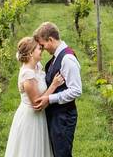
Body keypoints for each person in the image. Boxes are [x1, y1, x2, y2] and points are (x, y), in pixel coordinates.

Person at [4, 36, 66, 157]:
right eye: (39, 49)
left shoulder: (37, 67)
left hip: (39, 117)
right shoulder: (27, 74)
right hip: (30, 118)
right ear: (31, 53)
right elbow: (37, 104)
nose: (42, 51)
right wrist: (53, 85)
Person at [32, 22, 82, 157]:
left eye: (43, 45)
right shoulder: (56, 58)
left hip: (63, 117)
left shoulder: (67, 59)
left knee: (62, 154)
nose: (43, 49)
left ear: (51, 40)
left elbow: (76, 90)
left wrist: (50, 98)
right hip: (56, 116)